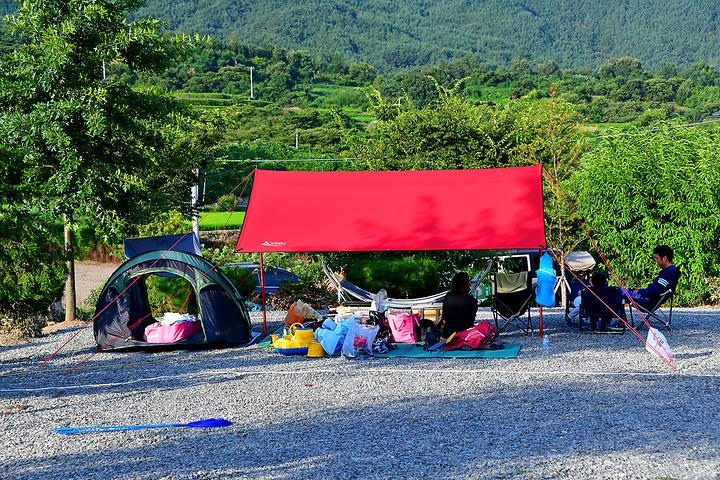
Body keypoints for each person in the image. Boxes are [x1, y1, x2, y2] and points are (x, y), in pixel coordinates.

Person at [624, 245, 680, 312]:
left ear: (664, 258)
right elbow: (656, 289)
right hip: (650, 299)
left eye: (657, 258)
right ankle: (622, 320)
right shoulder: (672, 271)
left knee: (618, 293)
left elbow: (655, 291)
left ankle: (622, 320)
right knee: (620, 291)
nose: (656, 261)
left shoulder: (668, 273)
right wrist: (639, 290)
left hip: (648, 302)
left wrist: (638, 292)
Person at [441, 272, 478, 337]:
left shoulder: (448, 297)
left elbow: (445, 317)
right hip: (465, 335)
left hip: (448, 334)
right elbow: (471, 320)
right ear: (466, 284)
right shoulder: (472, 301)